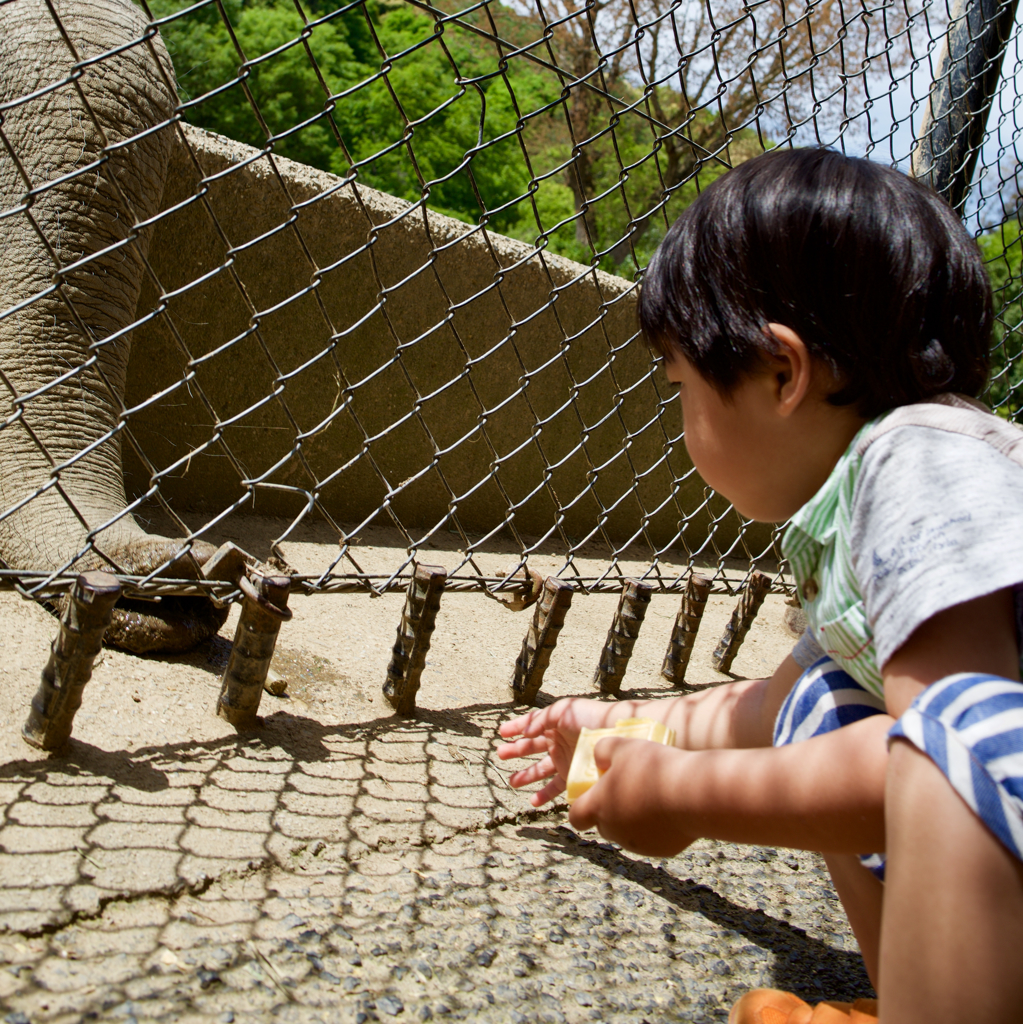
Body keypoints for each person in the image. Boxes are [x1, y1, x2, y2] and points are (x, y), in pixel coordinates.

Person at [497, 148, 1023, 1024]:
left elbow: (949, 751)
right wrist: (611, 727)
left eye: (678, 384)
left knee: (936, 730)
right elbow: (773, 706)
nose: (678, 416)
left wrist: (681, 795)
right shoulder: (870, 496)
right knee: (820, 695)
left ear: (781, 374)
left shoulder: (923, 469)